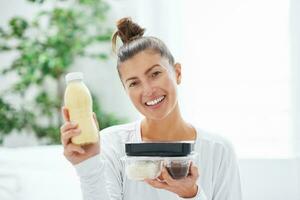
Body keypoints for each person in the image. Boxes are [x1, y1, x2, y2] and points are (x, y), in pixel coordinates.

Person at [60, 17, 242, 200]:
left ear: (177, 72)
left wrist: (191, 195)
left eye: (155, 74)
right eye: (134, 83)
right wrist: (88, 168)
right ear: (126, 90)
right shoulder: (111, 145)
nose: (148, 90)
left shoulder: (218, 150)